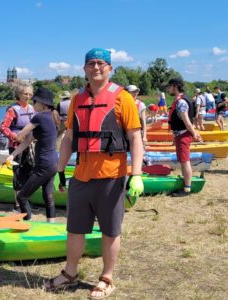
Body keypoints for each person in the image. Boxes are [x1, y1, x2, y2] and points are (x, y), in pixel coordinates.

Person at [44, 48, 144, 299]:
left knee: (110, 230)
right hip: (81, 176)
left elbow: (135, 137)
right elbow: (68, 137)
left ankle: (106, 278)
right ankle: (70, 273)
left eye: (101, 63)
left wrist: (137, 174)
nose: (96, 67)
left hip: (111, 175)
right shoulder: (77, 100)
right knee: (75, 228)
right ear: (84, 69)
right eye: (91, 64)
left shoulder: (123, 98)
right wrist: (59, 170)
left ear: (110, 68)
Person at [6, 87, 58, 223]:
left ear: (42, 104)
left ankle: (27, 223)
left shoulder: (39, 117)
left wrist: (14, 135)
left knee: (22, 197)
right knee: (48, 194)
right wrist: (13, 155)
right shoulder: (52, 116)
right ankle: (50, 224)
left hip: (43, 165)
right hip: (53, 163)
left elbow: (21, 135)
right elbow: (28, 140)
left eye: (35, 101)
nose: (33, 104)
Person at [0, 83, 36, 213]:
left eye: (30, 94)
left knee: (30, 172)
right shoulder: (12, 110)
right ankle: (17, 204)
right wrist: (15, 136)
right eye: (25, 94)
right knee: (18, 174)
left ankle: (26, 201)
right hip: (16, 146)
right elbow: (3, 127)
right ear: (19, 94)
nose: (28, 96)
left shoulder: (32, 108)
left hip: (30, 145)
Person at [166, 78, 203, 197]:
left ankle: (187, 189)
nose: (168, 89)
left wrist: (194, 133)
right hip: (180, 134)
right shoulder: (180, 100)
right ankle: (186, 184)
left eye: (169, 86)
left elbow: (187, 122)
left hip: (183, 135)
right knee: (183, 161)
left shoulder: (181, 102)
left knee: (185, 161)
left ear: (175, 86)